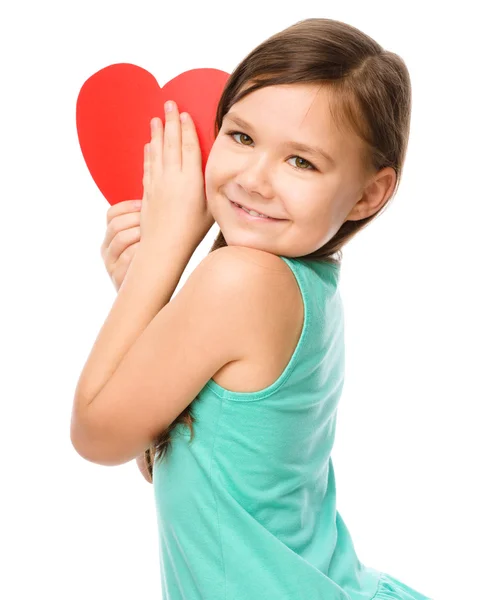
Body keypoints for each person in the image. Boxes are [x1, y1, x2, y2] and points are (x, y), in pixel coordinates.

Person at [97, 16, 432, 600]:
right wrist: (151, 305)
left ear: (368, 194)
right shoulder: (301, 283)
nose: (253, 179)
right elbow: (165, 459)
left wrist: (162, 256)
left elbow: (97, 436)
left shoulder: (241, 279)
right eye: (241, 137)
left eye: (301, 161)